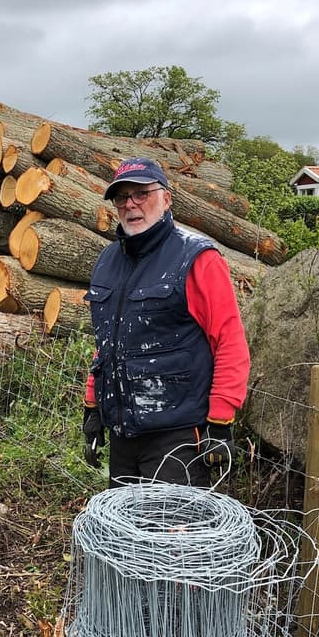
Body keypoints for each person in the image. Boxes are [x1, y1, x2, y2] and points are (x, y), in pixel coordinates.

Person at [82, 157, 250, 487]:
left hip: (176, 440)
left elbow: (229, 341)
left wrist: (220, 421)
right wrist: (93, 406)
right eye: (121, 197)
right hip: (123, 435)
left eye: (141, 193)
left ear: (166, 198)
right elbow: (107, 343)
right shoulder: (108, 260)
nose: (130, 204)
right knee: (123, 522)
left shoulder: (197, 258)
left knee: (172, 523)